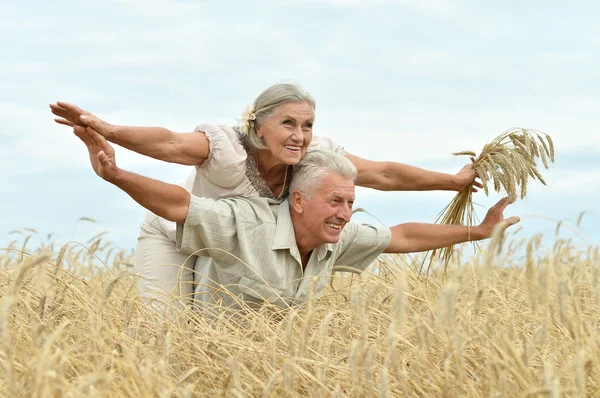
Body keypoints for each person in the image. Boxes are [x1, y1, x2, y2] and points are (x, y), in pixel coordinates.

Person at [50, 83, 483, 307]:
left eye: (307, 124)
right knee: (162, 327)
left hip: (237, 246)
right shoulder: (225, 149)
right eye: (288, 123)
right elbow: (168, 144)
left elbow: (382, 174)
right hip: (177, 234)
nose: (300, 136)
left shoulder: (316, 157)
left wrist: (451, 181)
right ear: (258, 126)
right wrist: (109, 132)